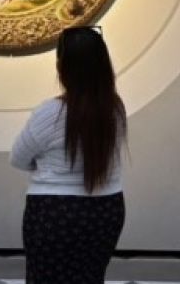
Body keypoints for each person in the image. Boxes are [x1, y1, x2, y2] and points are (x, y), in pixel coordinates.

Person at [11, 27, 127, 283]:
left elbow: (18, 158)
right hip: (106, 210)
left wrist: (43, 164)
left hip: (54, 212)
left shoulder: (49, 113)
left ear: (63, 68)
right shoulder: (115, 109)